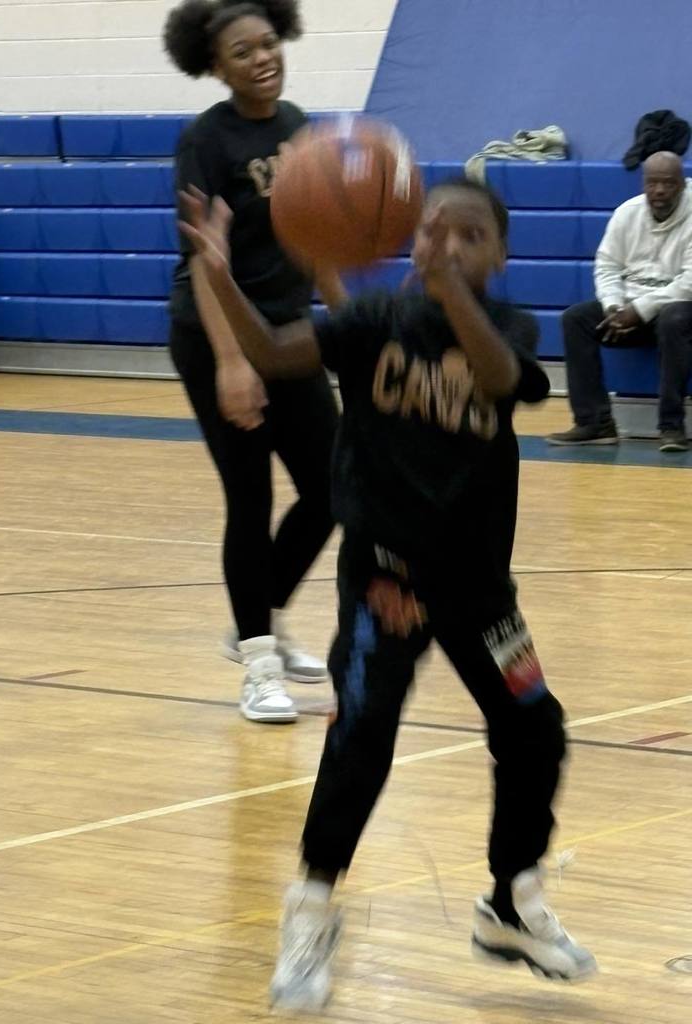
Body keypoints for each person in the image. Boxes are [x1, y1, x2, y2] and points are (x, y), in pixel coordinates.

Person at [181, 176, 598, 1011]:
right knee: (361, 735)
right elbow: (272, 352)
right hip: (386, 581)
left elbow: (497, 378)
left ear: (501, 256)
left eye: (470, 235)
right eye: (434, 230)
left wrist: (449, 288)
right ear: (409, 243)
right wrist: (222, 276)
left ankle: (511, 898)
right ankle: (310, 905)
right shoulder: (373, 322)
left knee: (535, 730)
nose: (448, 243)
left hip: (480, 592)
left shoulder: (509, 331)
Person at [163, 0, 347, 724]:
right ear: (215, 66)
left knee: (332, 487)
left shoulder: (298, 125)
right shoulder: (204, 142)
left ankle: (252, 626)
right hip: (218, 332)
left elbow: (315, 236)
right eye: (243, 52)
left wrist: (350, 324)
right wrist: (232, 363)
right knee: (251, 498)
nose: (262, 57)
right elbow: (207, 263)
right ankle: (260, 664)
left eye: (269, 43)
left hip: (290, 332)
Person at [547, 151, 692, 452]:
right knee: (576, 319)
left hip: (679, 314)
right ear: (643, 183)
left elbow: (689, 283)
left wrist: (638, 311)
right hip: (628, 311)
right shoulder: (627, 213)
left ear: (682, 184)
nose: (659, 191)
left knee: (673, 317)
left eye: (667, 183)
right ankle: (595, 423)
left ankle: (671, 427)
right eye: (652, 183)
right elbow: (607, 265)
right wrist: (613, 307)